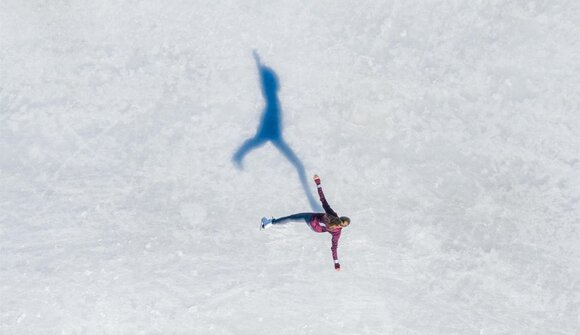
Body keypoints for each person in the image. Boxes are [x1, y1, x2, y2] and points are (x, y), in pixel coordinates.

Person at [261, 174, 351, 271]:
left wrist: (318, 183)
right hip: (315, 228)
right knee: (293, 219)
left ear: (340, 217)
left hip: (311, 218)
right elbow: (334, 247)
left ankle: (269, 223)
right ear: (342, 226)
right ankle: (270, 223)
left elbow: (323, 200)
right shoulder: (337, 233)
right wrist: (336, 263)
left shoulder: (332, 214)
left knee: (290, 218)